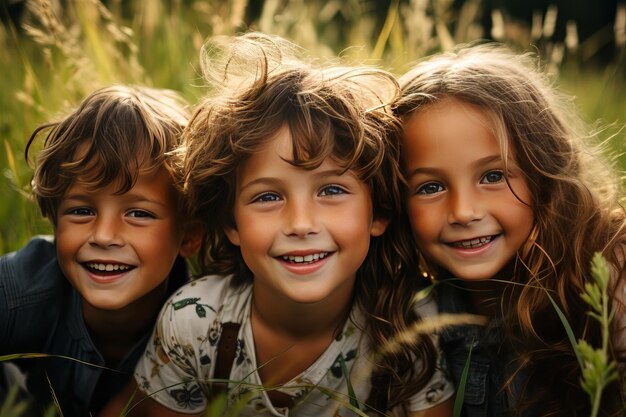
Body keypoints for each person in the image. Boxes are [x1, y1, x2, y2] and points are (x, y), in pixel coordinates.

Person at [105, 33, 455, 417]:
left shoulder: (410, 327)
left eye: (332, 190)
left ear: (379, 212)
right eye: (268, 197)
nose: (300, 224)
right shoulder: (194, 321)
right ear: (230, 223)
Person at [393, 43, 626, 416]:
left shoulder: (610, 274)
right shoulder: (415, 312)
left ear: (543, 174)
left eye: (493, 176)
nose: (464, 212)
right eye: (430, 187)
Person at [0, 85, 203, 416]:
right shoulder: (19, 289)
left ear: (189, 235)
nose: (105, 235)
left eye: (138, 214)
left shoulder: (204, 318)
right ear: (54, 219)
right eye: (82, 211)